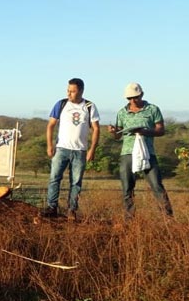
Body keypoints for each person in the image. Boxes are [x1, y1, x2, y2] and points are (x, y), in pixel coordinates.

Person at [108, 83, 173, 218]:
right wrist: (113, 132)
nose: (132, 101)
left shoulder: (153, 109)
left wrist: (145, 131)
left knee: (157, 186)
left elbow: (161, 130)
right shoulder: (122, 112)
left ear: (141, 94)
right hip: (127, 152)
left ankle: (168, 219)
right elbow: (118, 135)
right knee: (127, 188)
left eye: (135, 97)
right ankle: (129, 219)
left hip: (147, 152)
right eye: (129, 98)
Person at [43, 78, 100, 220]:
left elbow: (96, 129)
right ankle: (52, 207)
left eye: (73, 91)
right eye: (68, 90)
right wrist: (50, 145)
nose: (69, 93)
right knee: (54, 178)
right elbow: (50, 125)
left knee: (76, 182)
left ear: (80, 91)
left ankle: (72, 210)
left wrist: (92, 149)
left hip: (80, 150)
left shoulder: (89, 106)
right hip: (61, 148)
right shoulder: (61, 104)